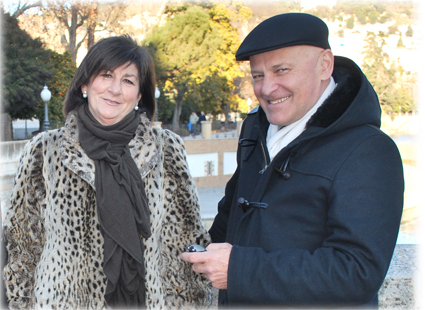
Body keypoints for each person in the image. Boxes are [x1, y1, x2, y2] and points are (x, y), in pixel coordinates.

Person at [181, 13, 404, 308]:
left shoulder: (371, 150)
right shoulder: (254, 129)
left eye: (281, 70)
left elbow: (357, 272)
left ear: (325, 65)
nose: (266, 88)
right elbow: (230, 218)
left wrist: (239, 270)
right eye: (257, 76)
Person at [3, 35, 213, 309]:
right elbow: (23, 242)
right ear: (85, 83)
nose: (115, 89)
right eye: (106, 75)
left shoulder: (166, 149)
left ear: (139, 95)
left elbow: (185, 241)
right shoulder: (44, 150)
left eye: (128, 80)